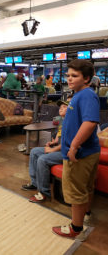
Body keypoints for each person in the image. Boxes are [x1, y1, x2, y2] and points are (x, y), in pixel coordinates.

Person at [52, 59, 100, 241]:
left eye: (74, 76)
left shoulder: (86, 95)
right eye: (68, 75)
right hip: (85, 152)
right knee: (85, 188)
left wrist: (73, 146)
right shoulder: (79, 94)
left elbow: (90, 123)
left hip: (80, 154)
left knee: (75, 191)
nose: (69, 79)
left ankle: (75, 228)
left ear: (86, 78)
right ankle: (85, 215)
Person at [21, 100, 68, 202]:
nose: (61, 108)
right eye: (60, 107)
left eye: (64, 107)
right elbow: (59, 137)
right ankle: (35, 183)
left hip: (65, 152)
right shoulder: (62, 120)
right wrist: (52, 142)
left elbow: (68, 143)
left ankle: (44, 193)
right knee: (34, 151)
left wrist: (52, 149)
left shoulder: (72, 122)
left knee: (42, 159)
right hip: (58, 149)